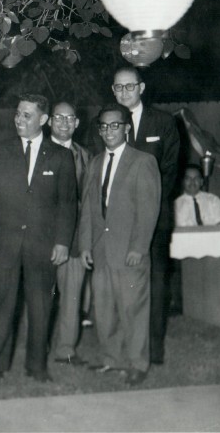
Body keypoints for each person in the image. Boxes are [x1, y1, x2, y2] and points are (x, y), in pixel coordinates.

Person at [0, 93, 77, 384]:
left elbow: (68, 203)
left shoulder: (61, 156)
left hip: (42, 245)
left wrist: (62, 241)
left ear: (43, 120)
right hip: (4, 243)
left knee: (41, 307)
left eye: (27, 115)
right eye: (18, 114)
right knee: (1, 307)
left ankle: (37, 366)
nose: (19, 119)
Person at [79, 103, 161, 386]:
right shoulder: (94, 163)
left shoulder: (143, 161)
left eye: (115, 125)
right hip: (101, 251)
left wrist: (139, 247)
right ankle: (110, 359)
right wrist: (86, 244)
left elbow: (149, 209)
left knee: (133, 310)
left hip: (129, 252)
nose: (108, 131)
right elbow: (89, 208)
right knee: (104, 309)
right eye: (103, 126)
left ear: (126, 128)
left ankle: (138, 363)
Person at [112, 66, 180, 365]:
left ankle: (153, 351)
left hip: (154, 220)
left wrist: (145, 212)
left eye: (129, 86)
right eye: (118, 88)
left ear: (141, 88)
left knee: (155, 283)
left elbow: (170, 173)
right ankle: (124, 348)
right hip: (116, 222)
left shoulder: (164, 123)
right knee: (120, 284)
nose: (124, 92)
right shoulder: (106, 124)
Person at [48, 101, 91, 366]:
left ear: (77, 123)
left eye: (69, 118)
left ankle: (65, 349)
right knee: (41, 295)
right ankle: (37, 347)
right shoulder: (36, 151)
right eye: (58, 118)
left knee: (72, 295)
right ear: (49, 121)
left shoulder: (86, 156)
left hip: (75, 238)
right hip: (41, 238)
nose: (64, 123)